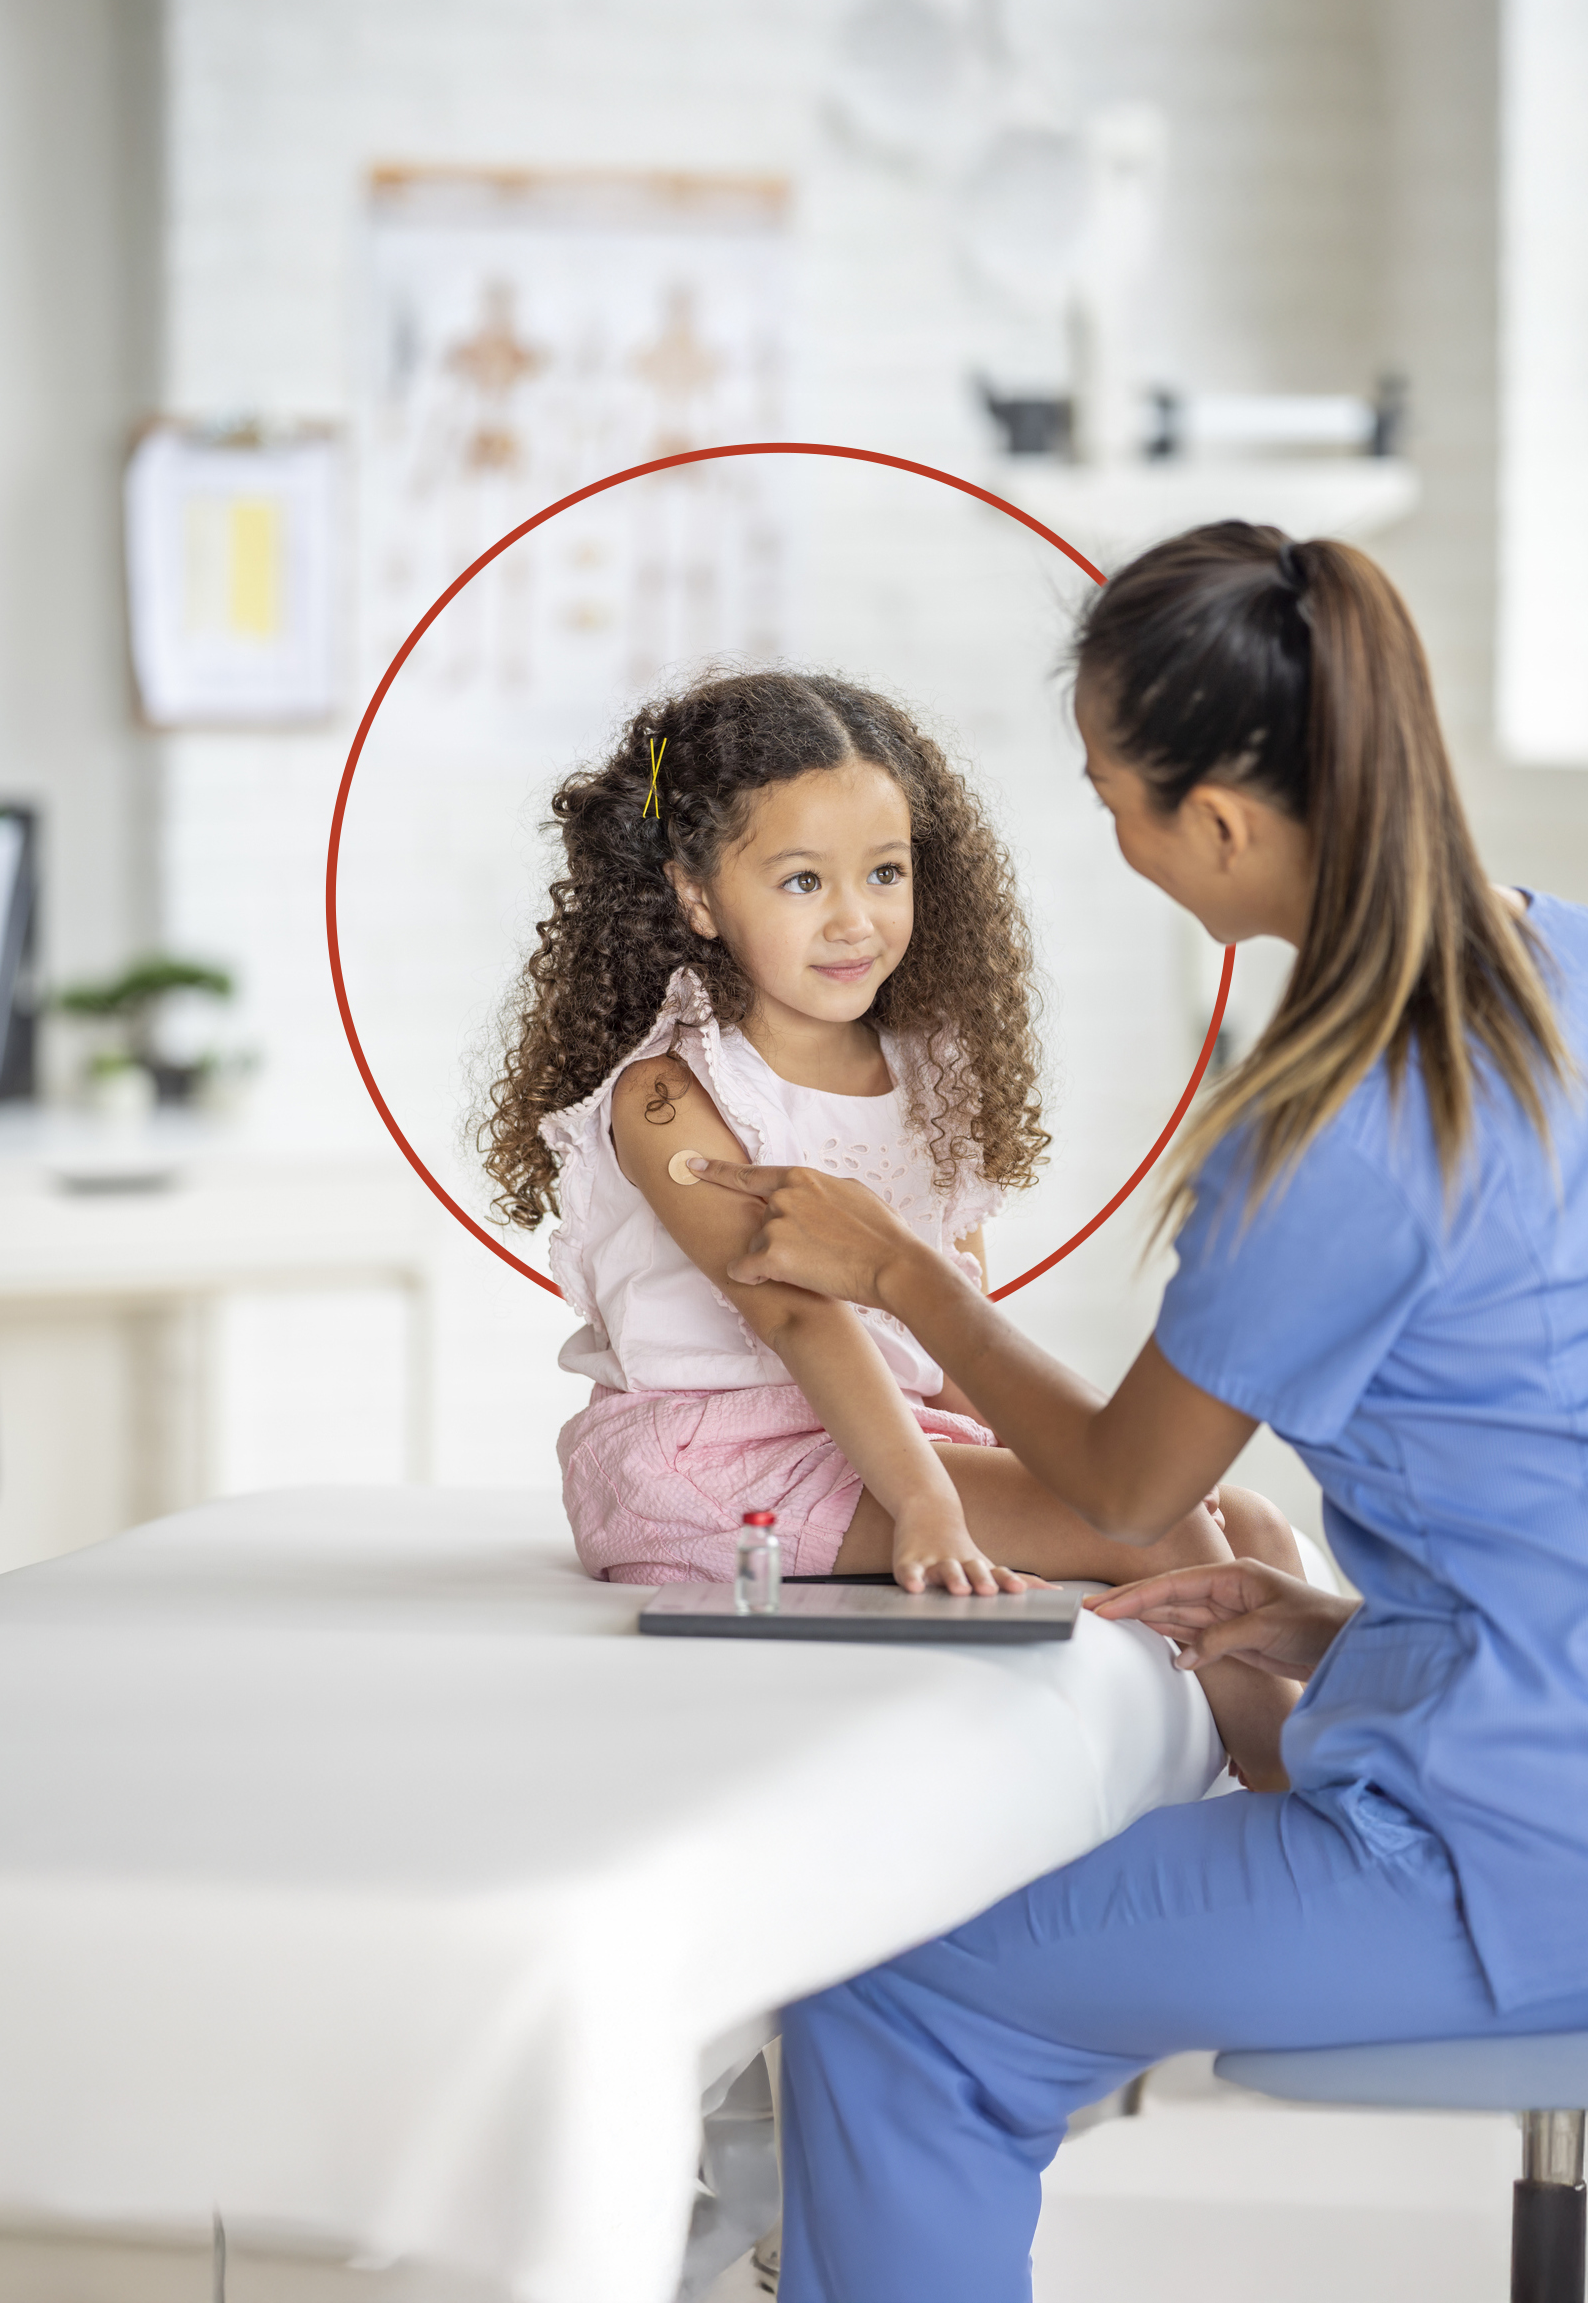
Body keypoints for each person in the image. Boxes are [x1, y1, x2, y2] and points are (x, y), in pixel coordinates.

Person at [684, 527, 1588, 2301]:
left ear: (1220, 823)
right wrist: (1379, 1634)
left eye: (1115, 803)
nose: (1118, 843)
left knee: (899, 2000)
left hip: (1539, 1869)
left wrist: (903, 1273)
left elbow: (1129, 1486)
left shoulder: (1327, 1129)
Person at [480, 668, 1305, 1783]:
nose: (853, 917)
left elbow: (956, 1327)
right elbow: (802, 1324)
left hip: (877, 1433)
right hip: (719, 1458)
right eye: (800, 880)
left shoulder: (931, 1071)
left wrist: (1045, 1465)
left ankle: (1297, 1784)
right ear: (697, 897)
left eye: (883, 871)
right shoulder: (671, 1096)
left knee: (1240, 1523)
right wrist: (926, 1503)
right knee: (1153, 1535)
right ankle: (1293, 1791)